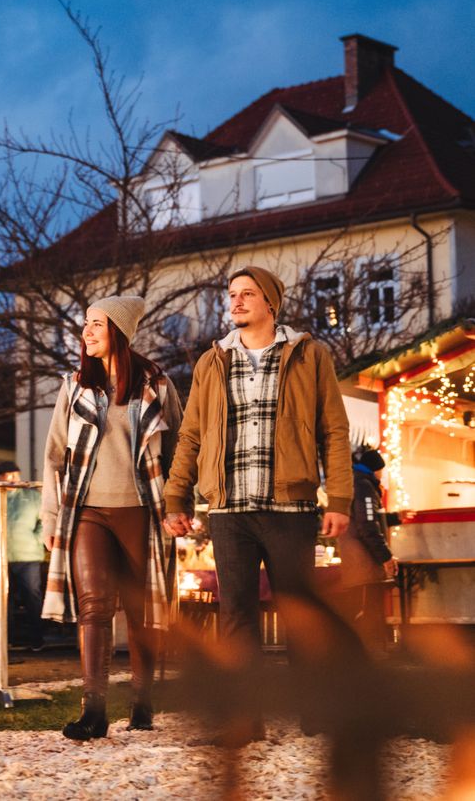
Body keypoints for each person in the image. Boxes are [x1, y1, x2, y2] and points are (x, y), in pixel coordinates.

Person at [162, 266, 353, 744]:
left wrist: (341, 498)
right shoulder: (212, 361)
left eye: (248, 294)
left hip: (290, 506)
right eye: (232, 294)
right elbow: (191, 436)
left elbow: (334, 429)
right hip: (229, 510)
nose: (237, 301)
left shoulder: (309, 355)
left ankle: (317, 714)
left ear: (271, 302)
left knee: (299, 613)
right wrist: (175, 497)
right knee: (236, 616)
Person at [41, 295, 183, 740]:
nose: (86, 331)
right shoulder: (74, 386)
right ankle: (94, 711)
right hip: (87, 512)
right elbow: (53, 457)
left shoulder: (157, 385)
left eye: (96, 323)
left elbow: (180, 450)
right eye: (85, 323)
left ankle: (142, 702)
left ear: (118, 331)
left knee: (142, 611)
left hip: (144, 510)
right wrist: (50, 518)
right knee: (94, 607)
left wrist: (180, 507)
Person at [0, 461, 45, 650]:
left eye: (16, 474)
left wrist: (36, 539)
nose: (14, 479)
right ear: (0, 477)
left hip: (28, 556)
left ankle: (37, 639)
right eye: (9, 475)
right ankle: (6, 641)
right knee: (3, 600)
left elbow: (43, 521)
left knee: (32, 597)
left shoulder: (32, 497)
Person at [336, 447, 398, 655]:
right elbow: (368, 525)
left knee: (361, 608)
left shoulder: (358, 483)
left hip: (358, 558)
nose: (382, 474)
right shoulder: (363, 486)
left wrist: (396, 518)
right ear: (375, 469)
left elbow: (368, 519)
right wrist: (385, 557)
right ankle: (366, 655)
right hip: (363, 560)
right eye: (381, 470)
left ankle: (359, 653)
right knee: (367, 609)